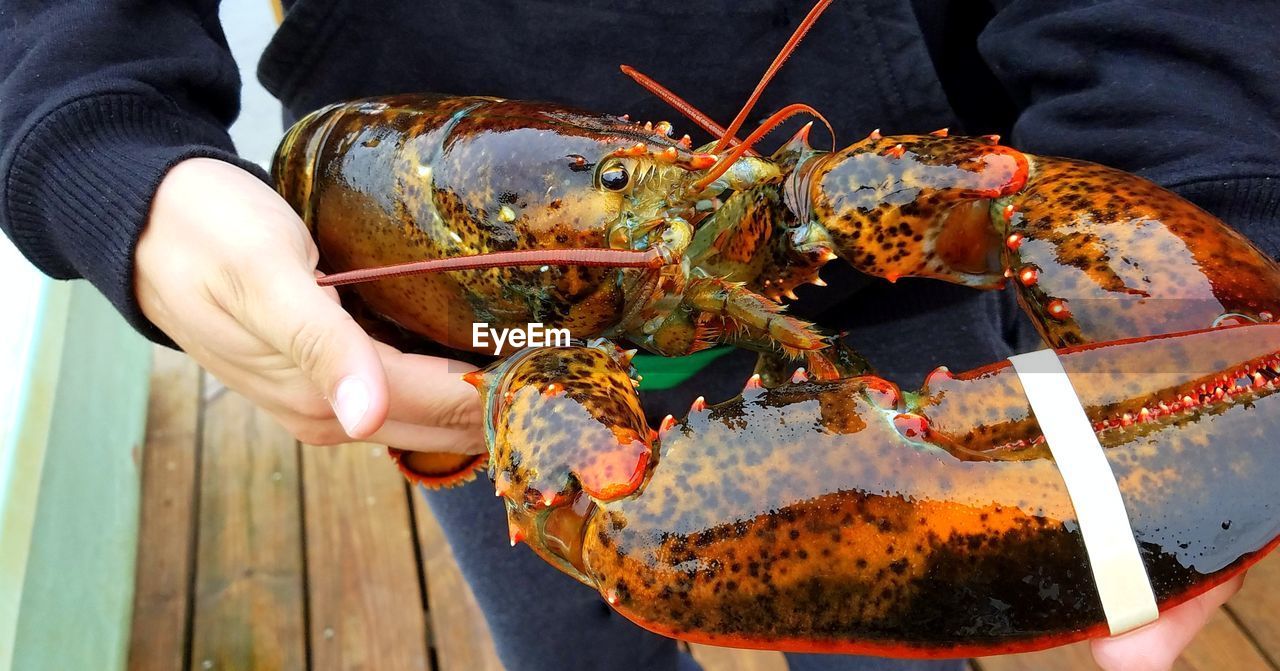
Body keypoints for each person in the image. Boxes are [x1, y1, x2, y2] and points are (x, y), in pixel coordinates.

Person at [2, 1, 1276, 669]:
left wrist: (1198, 188)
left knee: (891, 644)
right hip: (494, 347)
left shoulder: (706, 201)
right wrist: (109, 153)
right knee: (572, 633)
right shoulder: (509, 330)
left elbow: (976, 191)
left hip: (858, 312)